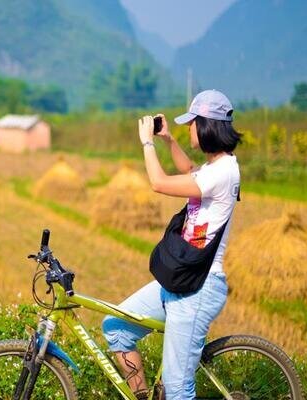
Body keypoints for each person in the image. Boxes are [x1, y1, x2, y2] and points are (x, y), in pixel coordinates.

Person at [102, 90, 242, 400]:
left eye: (191, 123)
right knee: (116, 328)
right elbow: (189, 172)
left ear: (206, 125)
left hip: (199, 288)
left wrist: (147, 143)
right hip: (181, 278)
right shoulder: (215, 168)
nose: (187, 128)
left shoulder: (224, 171)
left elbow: (159, 183)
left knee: (178, 389)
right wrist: (167, 139)